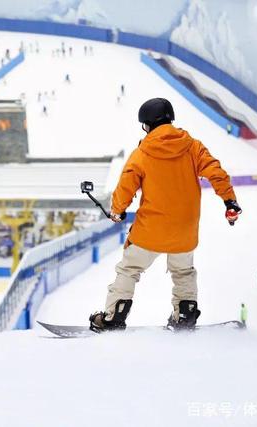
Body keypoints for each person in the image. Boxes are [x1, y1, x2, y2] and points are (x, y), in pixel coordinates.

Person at [89, 98, 242, 332]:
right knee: (184, 272)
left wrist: (117, 211)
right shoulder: (193, 146)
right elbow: (216, 172)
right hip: (184, 229)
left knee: (129, 269)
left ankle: (114, 317)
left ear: (147, 125)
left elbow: (125, 186)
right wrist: (229, 201)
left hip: (150, 230)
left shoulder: (141, 153)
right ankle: (185, 314)